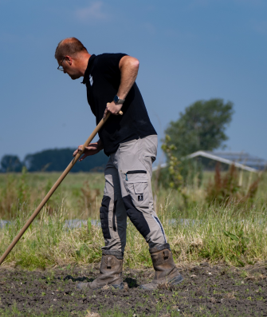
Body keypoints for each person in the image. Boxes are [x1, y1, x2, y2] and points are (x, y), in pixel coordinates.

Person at [57, 37, 179, 291]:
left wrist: (120, 98)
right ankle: (110, 277)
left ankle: (167, 273)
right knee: (110, 209)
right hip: (116, 148)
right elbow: (111, 120)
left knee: (137, 203)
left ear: (68, 59)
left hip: (135, 142)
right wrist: (98, 146)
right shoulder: (91, 82)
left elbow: (132, 63)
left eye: (62, 66)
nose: (64, 72)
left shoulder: (101, 64)